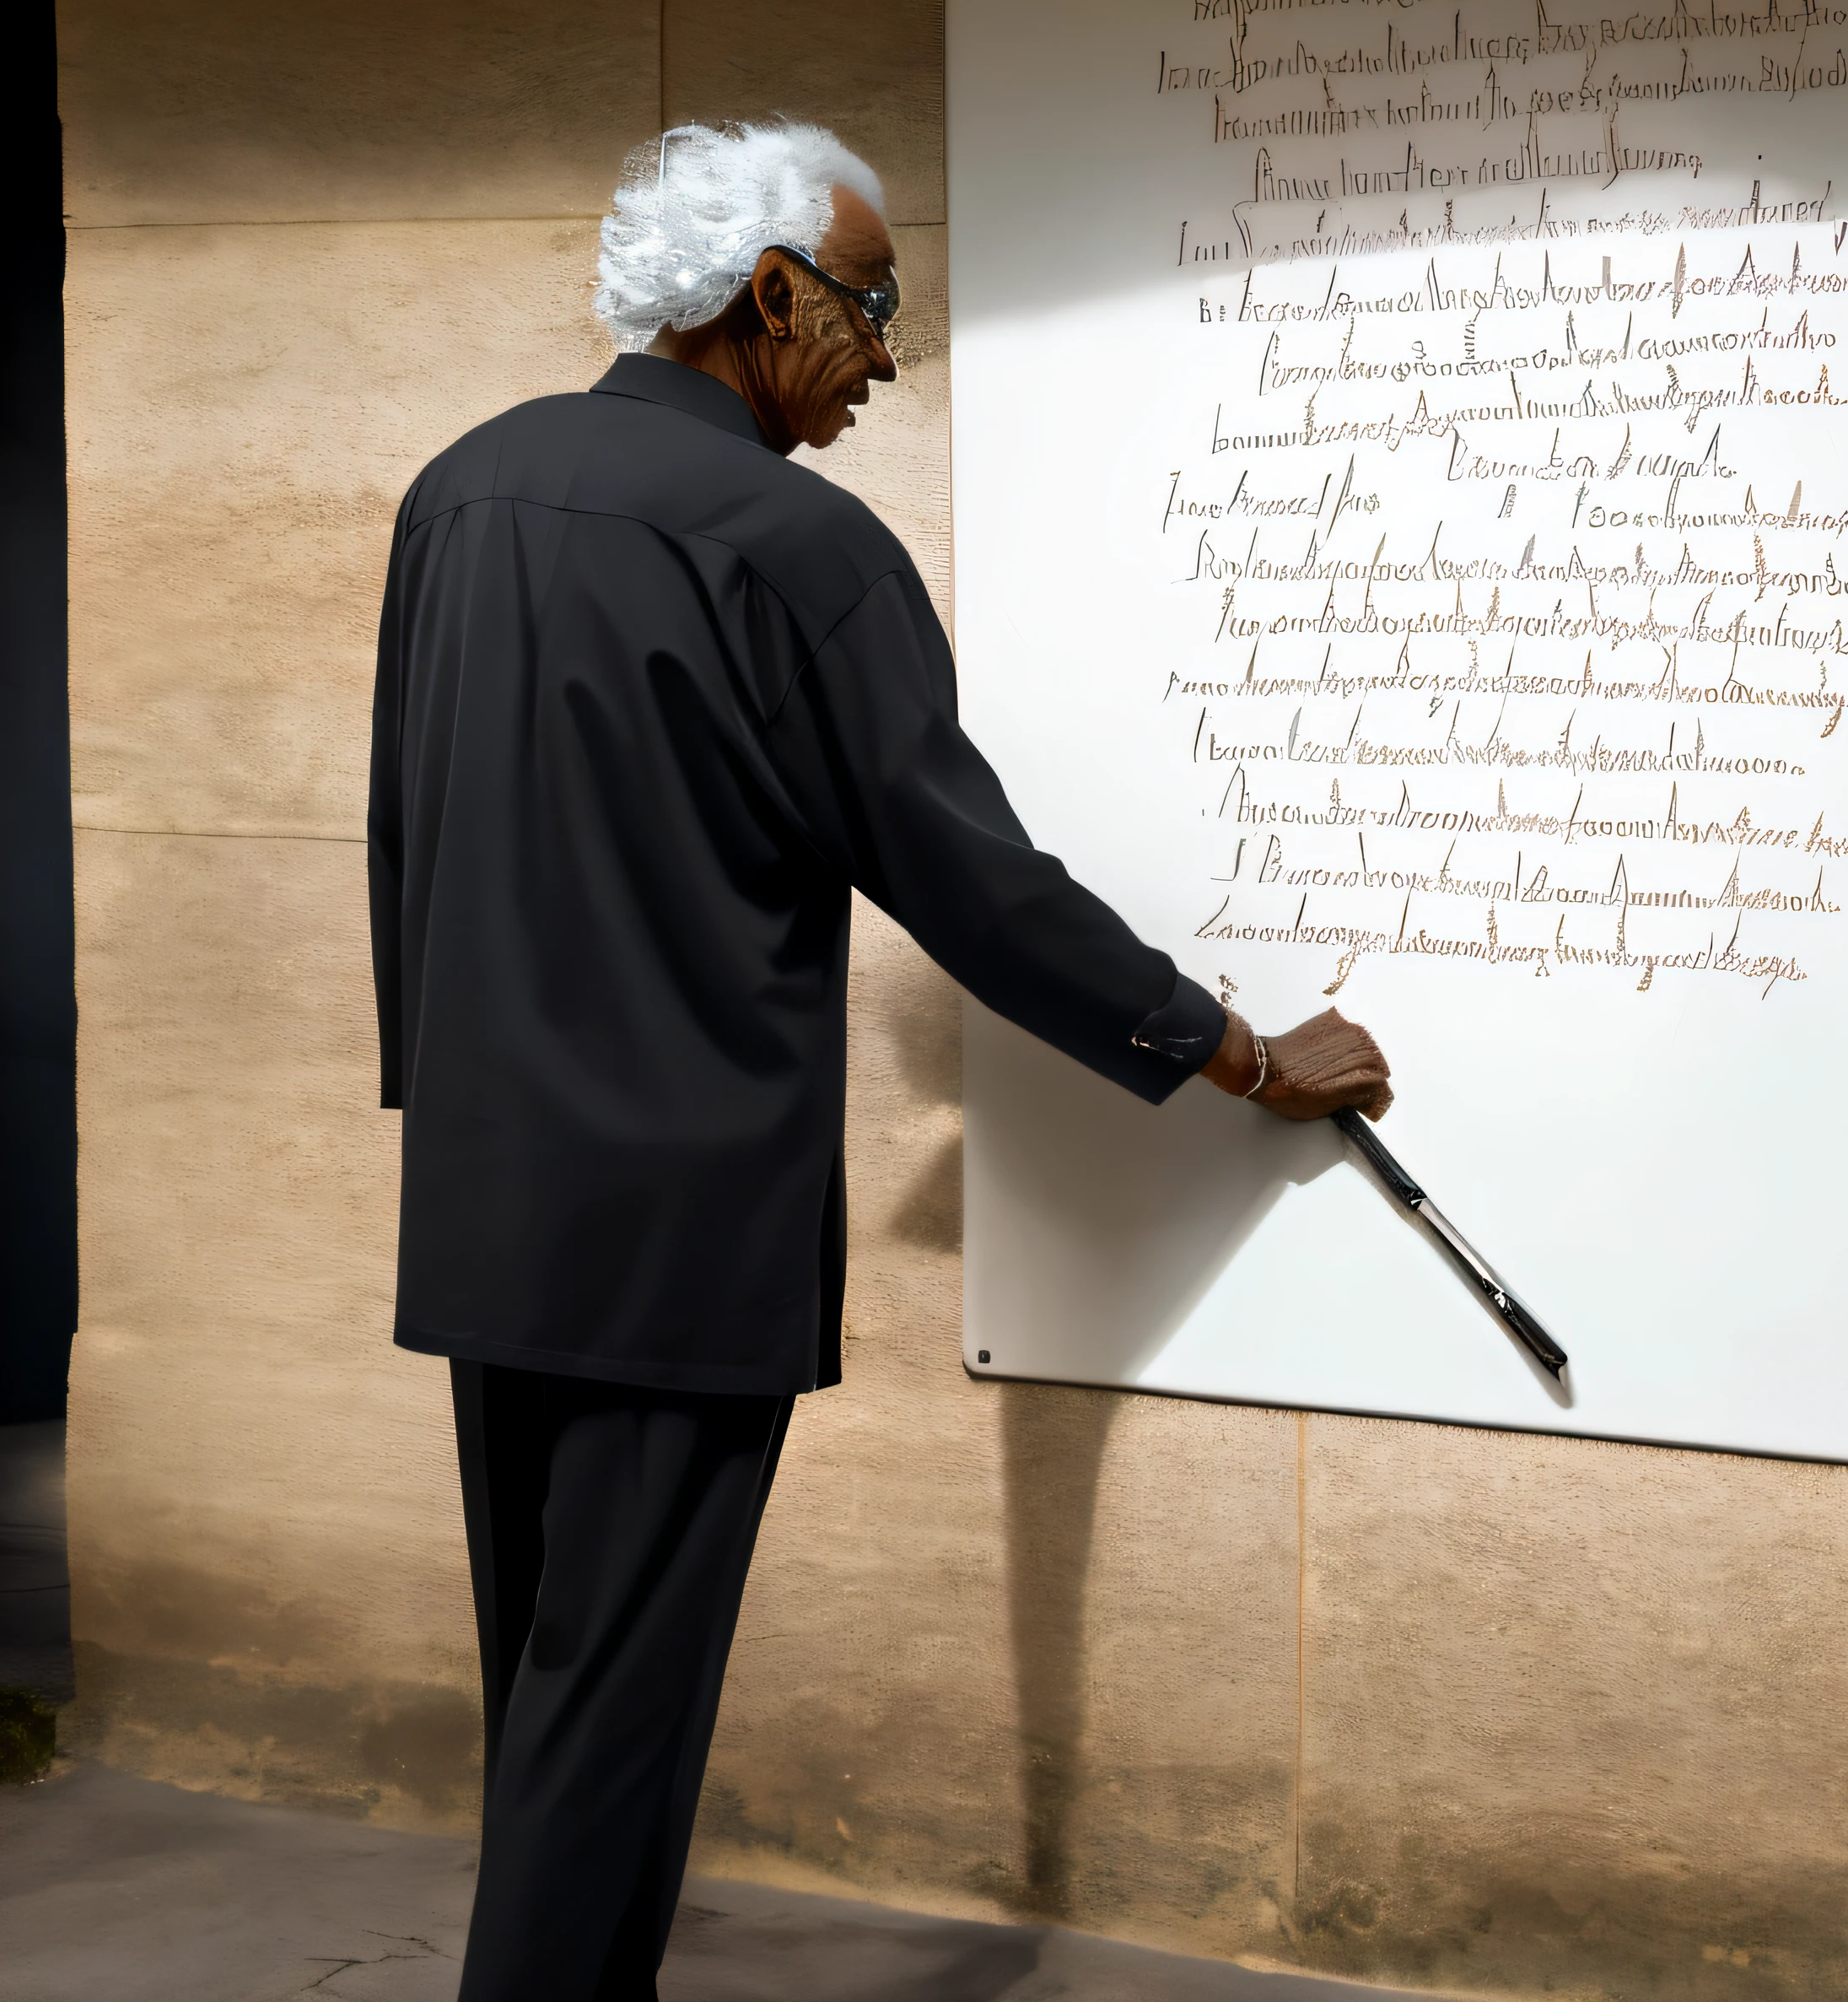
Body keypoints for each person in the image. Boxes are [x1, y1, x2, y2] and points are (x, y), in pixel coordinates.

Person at [367, 118, 1393, 2000]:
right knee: (613, 1724)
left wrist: (430, 1098)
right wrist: (1234, 1051)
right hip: (677, 1240)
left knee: (547, 1688)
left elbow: (405, 836)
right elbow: (976, 890)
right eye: (877, 303)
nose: (894, 356)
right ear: (770, 295)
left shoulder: (460, 490)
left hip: (491, 1204)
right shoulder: (798, 546)